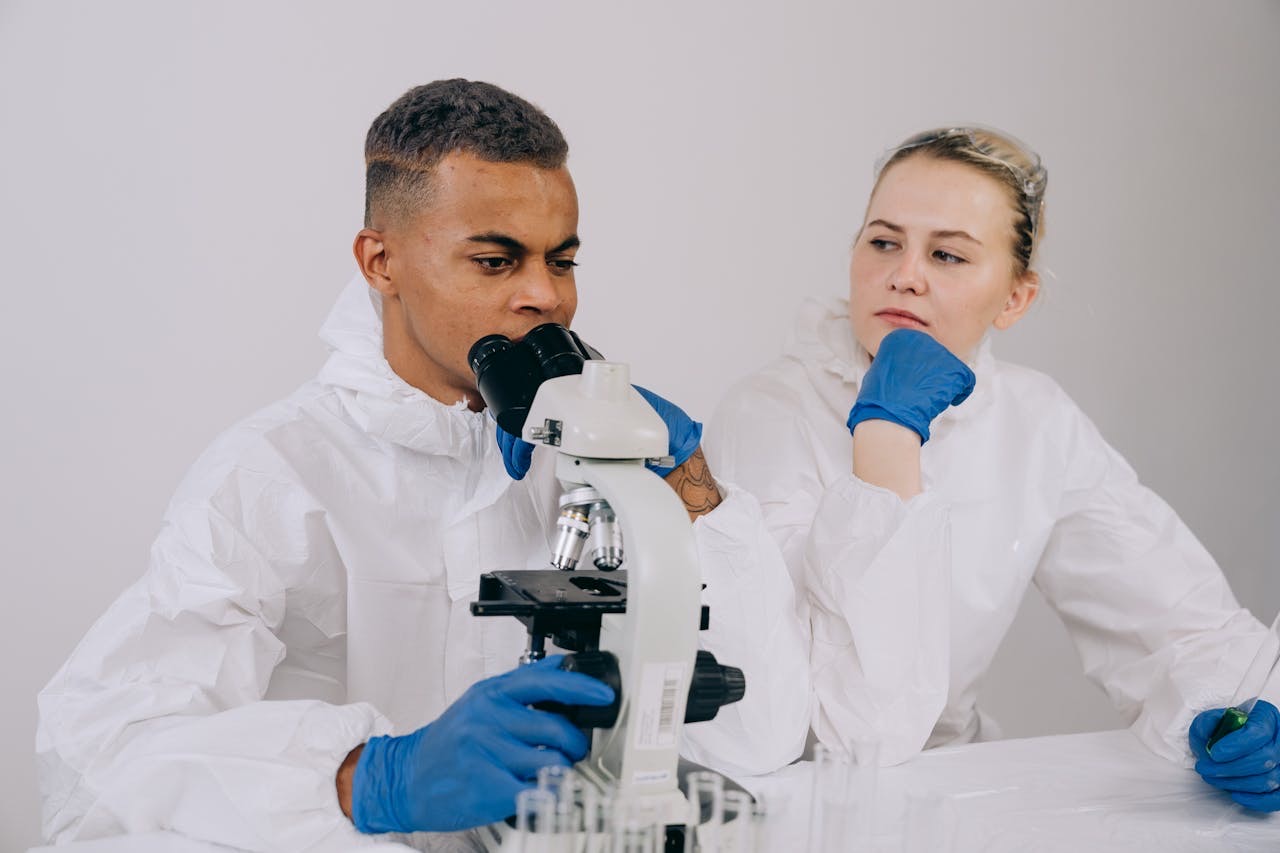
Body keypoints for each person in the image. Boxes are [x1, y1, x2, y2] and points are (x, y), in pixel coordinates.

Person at [37, 80, 810, 850]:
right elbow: (98, 757)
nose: (546, 296)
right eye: (496, 261)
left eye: (562, 261)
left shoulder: (586, 459)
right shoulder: (275, 472)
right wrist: (364, 776)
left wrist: (686, 479)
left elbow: (758, 738)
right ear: (381, 261)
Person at [704, 126, 1280, 810]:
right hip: (785, 798)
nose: (905, 274)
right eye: (883, 241)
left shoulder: (1035, 419)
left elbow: (1176, 621)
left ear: (1016, 298)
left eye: (948, 254)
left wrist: (1235, 709)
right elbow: (839, 725)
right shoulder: (769, 411)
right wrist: (888, 432)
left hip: (947, 787)